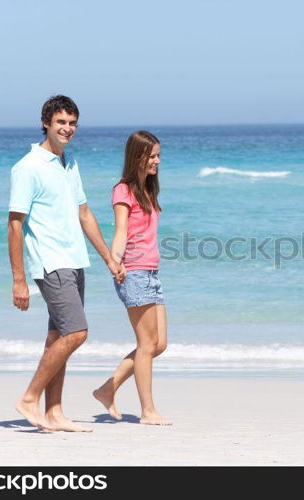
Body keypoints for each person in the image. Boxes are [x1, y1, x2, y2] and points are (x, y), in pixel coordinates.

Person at [8, 95, 124, 432]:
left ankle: (54, 412)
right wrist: (19, 279)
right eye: (61, 122)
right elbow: (15, 223)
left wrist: (107, 257)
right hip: (50, 261)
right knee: (77, 332)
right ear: (46, 123)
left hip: (74, 260)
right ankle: (29, 398)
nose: (67, 128)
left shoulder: (69, 164)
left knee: (57, 336)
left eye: (72, 123)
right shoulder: (28, 167)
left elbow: (84, 214)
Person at [92, 130, 171, 426]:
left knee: (158, 344)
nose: (157, 161)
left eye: (159, 156)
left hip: (151, 272)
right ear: (138, 157)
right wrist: (114, 262)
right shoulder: (123, 190)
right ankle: (148, 411)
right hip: (134, 272)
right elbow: (121, 231)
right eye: (153, 156)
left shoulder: (148, 190)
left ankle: (106, 389)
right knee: (147, 343)